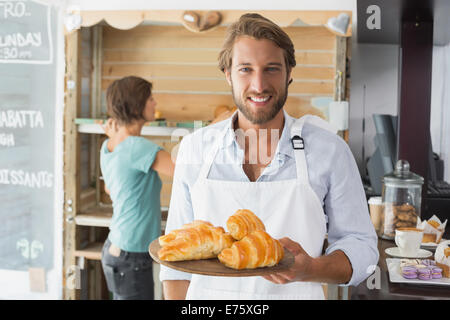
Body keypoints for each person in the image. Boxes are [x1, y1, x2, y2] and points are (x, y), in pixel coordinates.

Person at [160, 13, 379, 300]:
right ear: (227, 73)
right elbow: (176, 265)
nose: (259, 85)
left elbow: (362, 247)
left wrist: (310, 268)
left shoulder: (329, 151)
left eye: (271, 69)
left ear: (289, 72)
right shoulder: (194, 150)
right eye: (245, 69)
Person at [100, 76, 175, 300]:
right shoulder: (137, 147)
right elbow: (184, 170)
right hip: (131, 255)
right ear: (137, 105)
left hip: (117, 248)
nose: (155, 103)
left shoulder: (109, 144)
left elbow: (109, 190)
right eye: (150, 99)